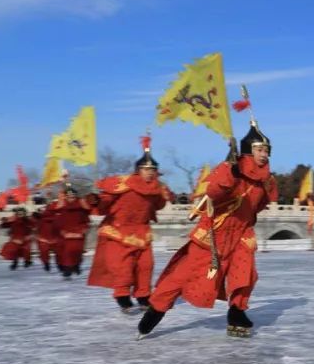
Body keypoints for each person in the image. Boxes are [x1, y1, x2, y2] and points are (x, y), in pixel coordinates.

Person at [137, 119, 278, 339]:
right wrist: (230, 171)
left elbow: (259, 205)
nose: (264, 154)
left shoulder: (267, 180)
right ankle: (156, 310)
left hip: (241, 233)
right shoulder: (229, 170)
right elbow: (214, 194)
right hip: (214, 233)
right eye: (260, 149)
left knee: (246, 273)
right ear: (248, 151)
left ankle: (237, 313)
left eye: (267, 150)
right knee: (184, 275)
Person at [88, 137, 174, 313]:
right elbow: (106, 201)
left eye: (153, 169)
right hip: (119, 230)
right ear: (138, 170)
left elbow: (158, 205)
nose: (150, 172)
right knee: (124, 268)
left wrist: (167, 197)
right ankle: (122, 296)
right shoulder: (123, 184)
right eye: (146, 169)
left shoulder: (157, 188)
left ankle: (143, 296)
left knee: (146, 265)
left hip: (142, 230)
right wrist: (96, 200)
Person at [54, 186, 94, 278]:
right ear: (66, 197)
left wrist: (83, 230)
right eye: (68, 196)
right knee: (67, 252)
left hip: (78, 232)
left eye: (72, 196)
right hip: (66, 233)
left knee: (77, 252)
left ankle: (76, 265)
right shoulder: (62, 206)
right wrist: (61, 230)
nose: (70, 198)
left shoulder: (81, 206)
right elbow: (58, 219)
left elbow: (86, 219)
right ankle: (67, 269)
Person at [33, 202, 60, 272]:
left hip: (47, 238)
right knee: (58, 253)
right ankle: (56, 264)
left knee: (45, 253)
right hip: (49, 238)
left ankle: (47, 263)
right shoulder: (56, 216)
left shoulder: (41, 216)